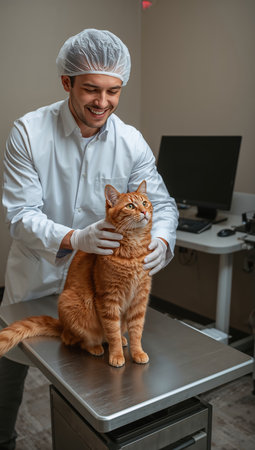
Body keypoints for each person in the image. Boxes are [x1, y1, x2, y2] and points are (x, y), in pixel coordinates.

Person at [0, 28, 178, 448]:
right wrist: (74, 237)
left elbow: (163, 204)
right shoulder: (28, 132)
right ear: (67, 83)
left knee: (88, 383)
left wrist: (164, 242)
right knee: (9, 372)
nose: (103, 103)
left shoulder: (131, 141)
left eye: (113, 91)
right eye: (91, 90)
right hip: (35, 277)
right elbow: (20, 215)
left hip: (104, 289)